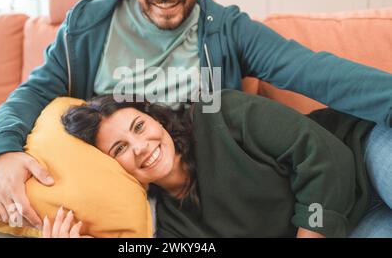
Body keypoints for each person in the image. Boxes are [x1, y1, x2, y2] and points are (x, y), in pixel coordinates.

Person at [0, 0, 391, 236]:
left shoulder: (225, 38)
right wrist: (2, 151)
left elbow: (315, 72)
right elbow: (30, 94)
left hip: (309, 166)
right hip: (148, 195)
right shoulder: (86, 29)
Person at [41, 90, 392, 238]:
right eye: (120, 149)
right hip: (352, 225)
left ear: (156, 119)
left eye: (139, 126)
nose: (141, 147)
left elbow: (319, 156)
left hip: (362, 152)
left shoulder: (216, 113)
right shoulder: (169, 224)